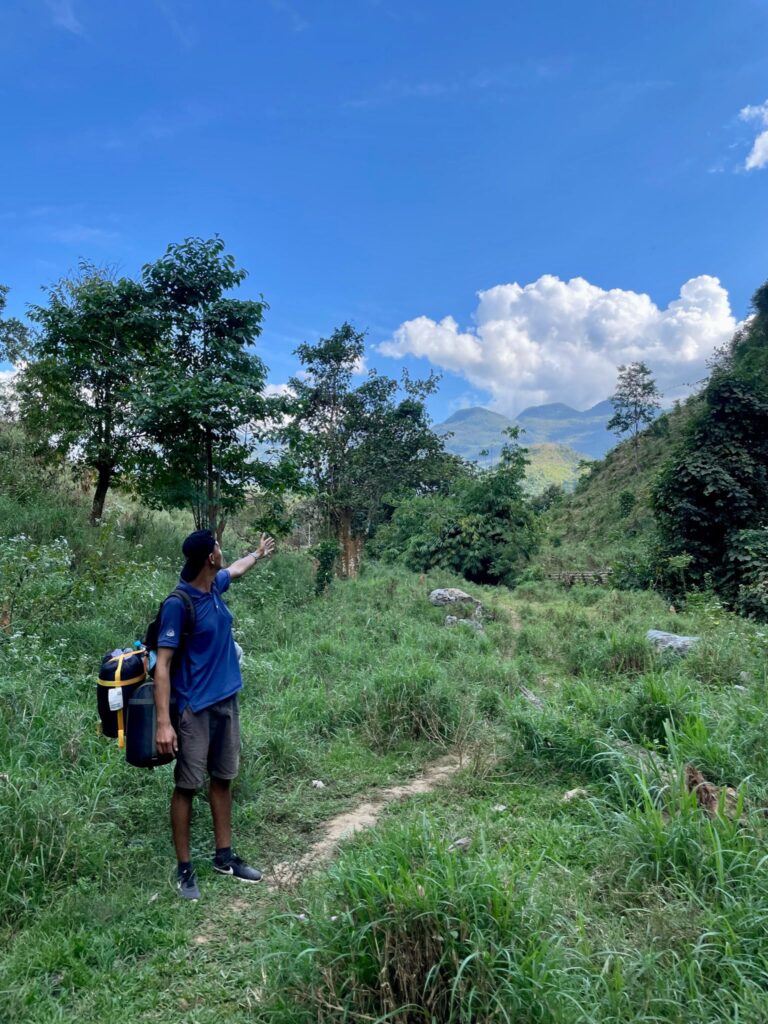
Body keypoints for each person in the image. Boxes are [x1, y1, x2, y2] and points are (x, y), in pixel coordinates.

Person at [154, 528, 275, 900]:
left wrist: (257, 554)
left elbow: (236, 569)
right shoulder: (179, 603)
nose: (223, 553)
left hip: (226, 702)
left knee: (222, 778)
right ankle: (185, 868)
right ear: (210, 557)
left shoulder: (215, 587)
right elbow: (162, 666)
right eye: (218, 547)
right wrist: (164, 723)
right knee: (187, 786)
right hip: (194, 709)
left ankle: (224, 857)